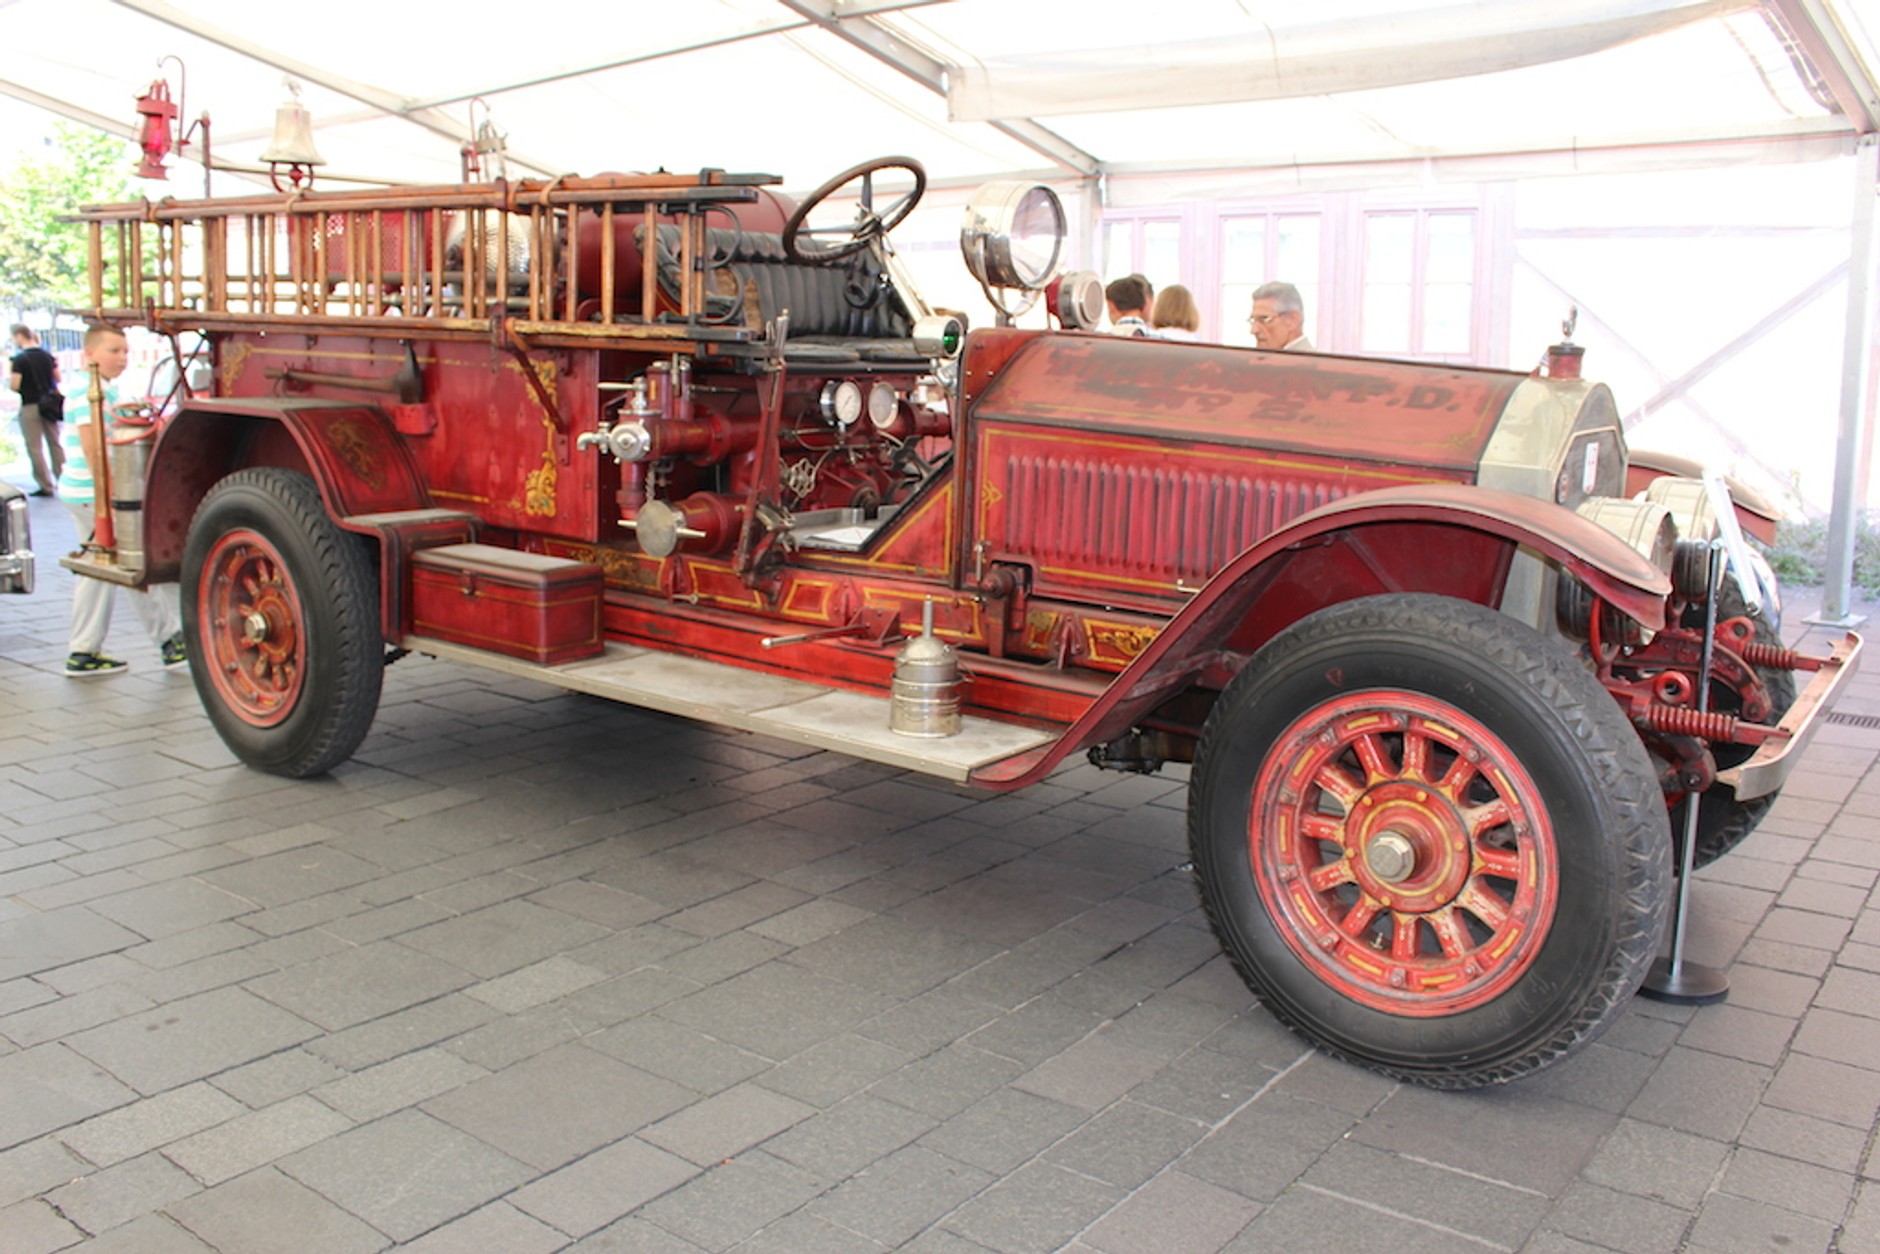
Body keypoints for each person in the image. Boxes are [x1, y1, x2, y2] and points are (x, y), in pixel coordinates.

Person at [60, 324, 185, 677]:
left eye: (125, 351)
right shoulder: (90, 392)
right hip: (91, 494)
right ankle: (166, 641)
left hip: (86, 492)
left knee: (106, 569)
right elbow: (93, 448)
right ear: (90, 354)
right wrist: (113, 500)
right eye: (114, 351)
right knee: (123, 566)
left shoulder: (99, 389)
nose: (122, 358)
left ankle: (89, 650)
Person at [9, 323, 63, 496]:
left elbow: (15, 385)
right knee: (55, 443)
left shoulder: (20, 359)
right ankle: (62, 479)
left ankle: (45, 485)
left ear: (19, 336)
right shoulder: (47, 356)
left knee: (35, 447)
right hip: (49, 405)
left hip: (30, 406)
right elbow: (58, 378)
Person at [1249, 281, 1314, 351]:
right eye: (1253, 321)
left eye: (1264, 319)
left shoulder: (1308, 361)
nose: (1253, 330)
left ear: (1292, 320)